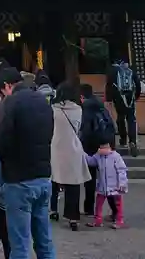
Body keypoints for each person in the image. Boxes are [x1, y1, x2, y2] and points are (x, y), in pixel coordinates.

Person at [0, 67, 55, 259]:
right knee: (44, 241)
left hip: (19, 180)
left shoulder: (10, 103)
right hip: (43, 176)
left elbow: (0, 141)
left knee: (19, 246)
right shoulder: (43, 102)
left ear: (6, 86)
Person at [50, 82, 91, 231]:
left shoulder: (53, 110)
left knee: (54, 179)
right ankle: (73, 217)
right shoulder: (78, 110)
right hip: (73, 148)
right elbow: (79, 128)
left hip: (56, 147)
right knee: (73, 184)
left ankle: (53, 209)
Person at [79, 83, 116, 216]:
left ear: (82, 96)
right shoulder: (102, 106)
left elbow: (86, 130)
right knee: (108, 179)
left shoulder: (86, 108)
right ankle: (115, 210)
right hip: (107, 144)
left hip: (91, 147)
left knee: (90, 179)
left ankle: (89, 208)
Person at [85, 137, 128, 229]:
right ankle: (98, 220)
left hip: (115, 186)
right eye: (102, 147)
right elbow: (91, 161)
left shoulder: (116, 156)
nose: (103, 149)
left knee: (118, 204)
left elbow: (121, 170)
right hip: (102, 186)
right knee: (99, 204)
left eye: (105, 147)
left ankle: (119, 220)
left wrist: (122, 183)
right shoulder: (98, 156)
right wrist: (82, 154)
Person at [105, 59, 141, 156]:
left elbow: (109, 85)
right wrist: (136, 96)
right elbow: (137, 83)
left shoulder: (113, 71)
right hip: (130, 97)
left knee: (120, 117)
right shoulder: (130, 70)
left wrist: (109, 99)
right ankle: (132, 141)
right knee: (131, 118)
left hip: (119, 97)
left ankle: (123, 139)